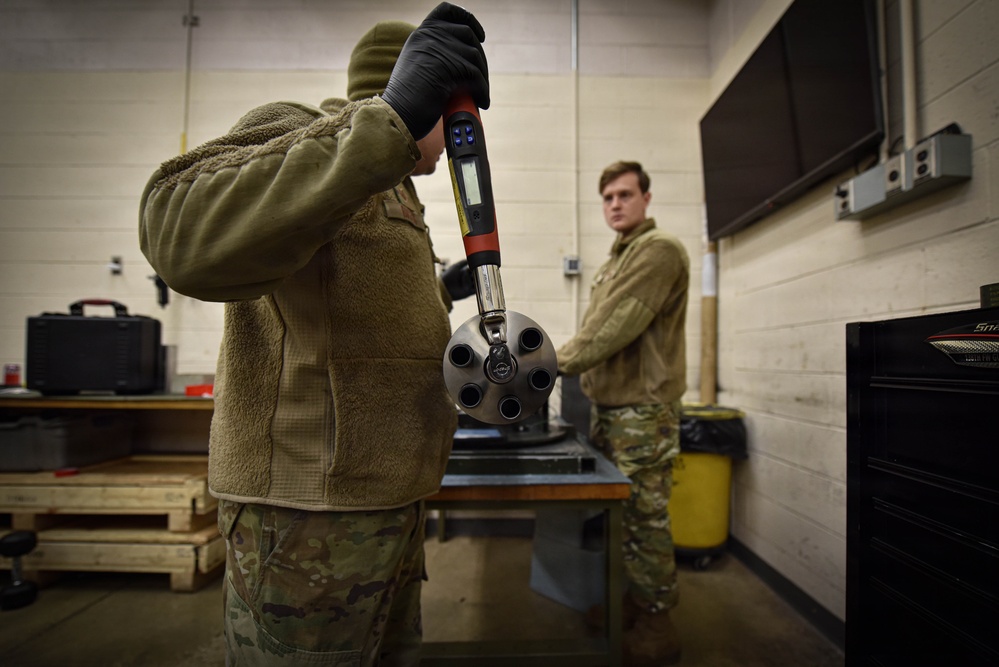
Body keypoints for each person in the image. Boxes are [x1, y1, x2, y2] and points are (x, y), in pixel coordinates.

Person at [138, 4, 487, 665]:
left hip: (387, 501)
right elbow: (177, 232)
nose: (463, 134)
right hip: (307, 515)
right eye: (456, 112)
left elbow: (354, 306)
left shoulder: (393, 193)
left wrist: (445, 289)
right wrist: (386, 123)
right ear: (417, 91)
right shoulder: (303, 133)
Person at [557, 160, 689, 666]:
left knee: (645, 518)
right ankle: (636, 598)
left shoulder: (657, 252)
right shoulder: (616, 260)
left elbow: (613, 327)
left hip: (642, 413)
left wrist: (550, 364)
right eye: (608, 197)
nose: (615, 203)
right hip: (612, 411)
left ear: (646, 199)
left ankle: (659, 622)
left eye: (625, 194)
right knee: (624, 516)